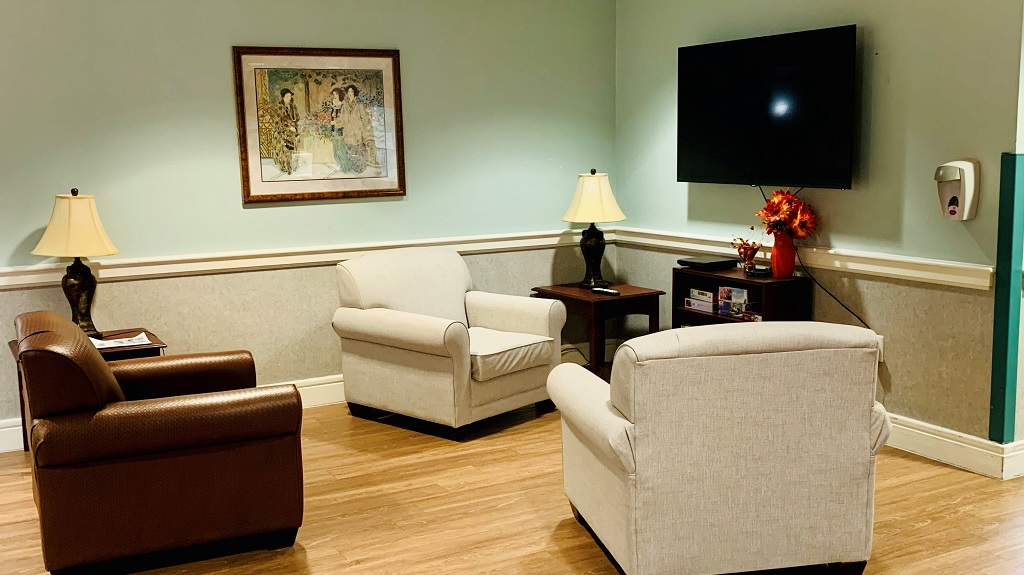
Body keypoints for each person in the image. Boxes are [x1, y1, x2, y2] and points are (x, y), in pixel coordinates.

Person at [329, 85, 377, 174]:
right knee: (349, 148)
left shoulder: (359, 106)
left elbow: (365, 119)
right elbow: (342, 118)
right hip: (347, 131)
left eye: (352, 92)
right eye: (348, 92)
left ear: (355, 93)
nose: (350, 94)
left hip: (357, 130)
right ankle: (352, 166)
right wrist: (337, 123)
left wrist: (362, 126)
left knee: (358, 148)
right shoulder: (345, 106)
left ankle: (360, 167)